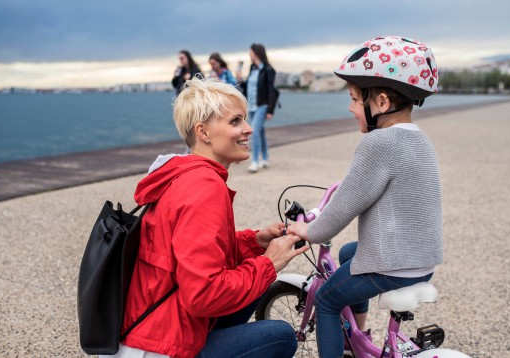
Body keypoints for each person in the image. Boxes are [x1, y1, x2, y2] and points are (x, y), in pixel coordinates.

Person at [103, 78, 309, 358]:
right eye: (236, 121)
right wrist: (268, 263)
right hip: (157, 348)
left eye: (245, 120)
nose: (248, 128)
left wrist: (255, 243)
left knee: (257, 280)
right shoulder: (203, 188)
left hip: (151, 326)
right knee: (279, 335)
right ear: (204, 132)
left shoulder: (186, 174)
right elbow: (202, 295)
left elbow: (195, 252)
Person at [287, 35, 443, 358]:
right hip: (422, 260)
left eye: (356, 99)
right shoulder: (422, 141)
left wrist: (310, 230)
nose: (350, 108)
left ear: (382, 103)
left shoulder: (378, 144)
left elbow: (343, 207)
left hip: (391, 265)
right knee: (348, 252)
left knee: (329, 301)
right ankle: (358, 335)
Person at [236, 43, 279, 173]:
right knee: (260, 132)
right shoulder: (252, 69)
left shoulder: (267, 70)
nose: (249, 55)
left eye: (251, 52)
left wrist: (270, 110)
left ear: (256, 53)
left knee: (253, 131)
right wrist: (240, 79)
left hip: (262, 106)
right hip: (252, 106)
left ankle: (255, 161)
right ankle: (265, 158)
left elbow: (271, 90)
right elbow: (248, 87)